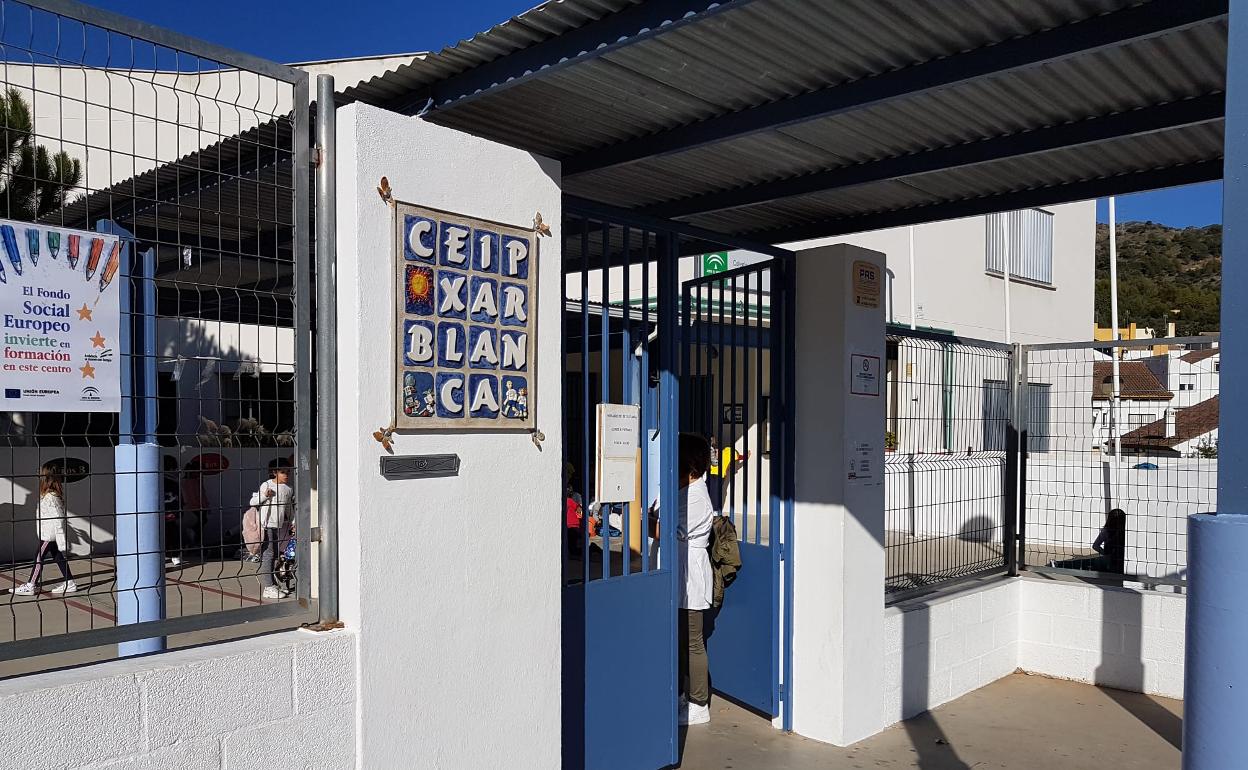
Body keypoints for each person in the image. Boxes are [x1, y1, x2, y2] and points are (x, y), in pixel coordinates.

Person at [651, 433, 715, 725]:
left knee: (692, 641)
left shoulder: (698, 498)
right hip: (677, 574)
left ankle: (699, 703)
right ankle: (679, 696)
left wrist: (647, 521)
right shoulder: (682, 492)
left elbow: (666, 531)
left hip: (690, 576)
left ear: (690, 466)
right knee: (678, 639)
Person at [13, 462, 76, 595]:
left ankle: (31, 585)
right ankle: (69, 582)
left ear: (46, 479)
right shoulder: (50, 495)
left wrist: (60, 538)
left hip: (49, 535)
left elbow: (59, 519)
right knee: (57, 556)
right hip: (48, 533)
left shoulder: (50, 497)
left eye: (41, 474)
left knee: (38, 557)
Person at [257, 459, 294, 600]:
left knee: (274, 554)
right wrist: (265, 495)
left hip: (277, 525)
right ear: (274, 472)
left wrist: (293, 522)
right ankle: (268, 586)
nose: (286, 475)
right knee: (268, 554)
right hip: (266, 525)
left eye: (288, 472)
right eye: (283, 472)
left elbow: (289, 509)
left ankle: (272, 584)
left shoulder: (288, 489)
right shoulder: (266, 485)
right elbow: (253, 502)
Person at [706, 435, 747, 513]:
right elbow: (739, 457)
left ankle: (711, 511)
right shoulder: (728, 453)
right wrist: (745, 456)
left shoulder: (718, 451)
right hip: (719, 476)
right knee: (715, 494)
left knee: (710, 493)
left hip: (711, 474)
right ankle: (714, 511)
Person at [1092, 508, 1127, 574]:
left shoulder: (1106, 531)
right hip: (1123, 563)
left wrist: (1106, 554)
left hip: (1111, 563)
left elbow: (1095, 546)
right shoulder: (1126, 532)